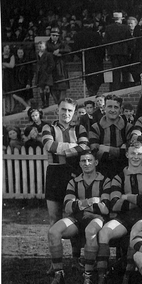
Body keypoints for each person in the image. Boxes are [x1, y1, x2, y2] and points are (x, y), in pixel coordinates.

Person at [45, 150, 112, 284]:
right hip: (77, 218)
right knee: (54, 231)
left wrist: (79, 204)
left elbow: (105, 208)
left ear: (96, 162)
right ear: (79, 163)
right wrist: (91, 201)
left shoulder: (105, 181)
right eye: (83, 161)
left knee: (91, 230)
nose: (86, 164)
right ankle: (58, 276)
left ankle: (88, 276)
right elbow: (68, 207)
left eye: (89, 160)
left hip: (97, 218)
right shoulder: (73, 182)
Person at [95, 141, 142, 284]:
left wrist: (126, 196)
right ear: (127, 154)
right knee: (104, 232)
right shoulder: (119, 177)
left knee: (135, 232)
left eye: (139, 154)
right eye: (133, 153)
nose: (136, 157)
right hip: (123, 218)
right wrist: (138, 200)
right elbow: (114, 204)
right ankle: (102, 277)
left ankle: (127, 278)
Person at [42, 98, 90, 271]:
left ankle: (76, 258)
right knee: (54, 218)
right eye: (63, 110)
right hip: (55, 174)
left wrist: (61, 148)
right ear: (57, 110)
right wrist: (73, 147)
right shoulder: (48, 127)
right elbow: (49, 145)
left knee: (74, 215)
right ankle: (55, 262)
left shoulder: (80, 128)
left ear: (74, 113)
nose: (66, 114)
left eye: (70, 111)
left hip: (73, 173)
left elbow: (84, 146)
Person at [89, 95, 132, 179]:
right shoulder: (95, 127)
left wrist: (106, 149)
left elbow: (130, 152)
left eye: (116, 107)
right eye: (109, 106)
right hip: (101, 172)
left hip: (124, 171)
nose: (112, 110)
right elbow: (95, 152)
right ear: (104, 107)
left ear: (120, 109)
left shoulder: (128, 127)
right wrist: (119, 150)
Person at [72, 19, 105, 97]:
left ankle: (91, 92)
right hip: (96, 60)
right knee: (96, 78)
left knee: (88, 79)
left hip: (84, 60)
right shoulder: (96, 35)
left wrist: (81, 56)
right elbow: (101, 48)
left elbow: (75, 49)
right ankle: (92, 93)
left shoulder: (77, 35)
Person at [104, 12, 132, 91]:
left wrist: (109, 51)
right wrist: (129, 51)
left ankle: (116, 89)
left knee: (116, 72)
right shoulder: (125, 28)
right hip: (124, 52)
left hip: (113, 52)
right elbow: (129, 40)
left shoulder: (108, 28)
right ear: (121, 19)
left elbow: (106, 41)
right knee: (124, 71)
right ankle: (126, 88)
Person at [45, 27, 70, 104]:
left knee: (62, 91)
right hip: (52, 69)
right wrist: (53, 54)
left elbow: (68, 49)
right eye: (53, 35)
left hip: (61, 68)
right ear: (50, 35)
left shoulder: (62, 43)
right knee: (54, 91)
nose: (55, 37)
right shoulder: (47, 44)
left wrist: (60, 51)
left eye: (56, 35)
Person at [34, 41, 54, 108]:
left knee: (47, 88)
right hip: (40, 74)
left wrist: (47, 71)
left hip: (47, 73)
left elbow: (52, 64)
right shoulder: (37, 54)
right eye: (39, 46)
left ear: (45, 47)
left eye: (41, 46)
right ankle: (43, 102)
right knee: (41, 89)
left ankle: (47, 102)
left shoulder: (48, 54)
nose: (40, 48)